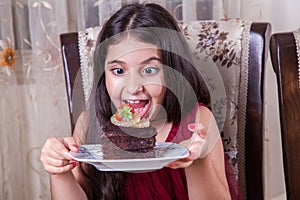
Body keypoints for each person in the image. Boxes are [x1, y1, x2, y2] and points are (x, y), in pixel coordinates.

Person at [41, 3, 241, 200]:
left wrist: (198, 160)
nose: (133, 87)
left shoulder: (196, 121)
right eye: (118, 71)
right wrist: (59, 171)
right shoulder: (89, 124)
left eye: (149, 70)